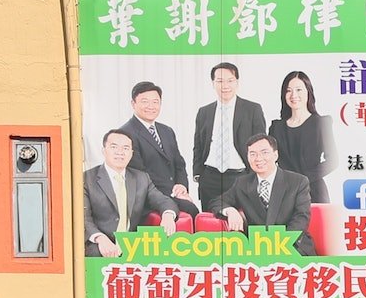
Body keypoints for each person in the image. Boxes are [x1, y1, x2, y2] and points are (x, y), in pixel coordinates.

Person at [84, 128, 181, 258]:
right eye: (114, 147)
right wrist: (100, 238)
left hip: (132, 243)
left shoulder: (141, 178)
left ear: (131, 153)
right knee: (96, 253)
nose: (120, 152)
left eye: (125, 148)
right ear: (103, 150)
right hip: (99, 243)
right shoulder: (87, 178)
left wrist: (168, 215)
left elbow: (162, 200)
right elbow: (83, 218)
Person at [222, 135, 316, 255]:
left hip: (292, 246)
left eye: (264, 152)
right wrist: (230, 210)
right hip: (257, 248)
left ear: (275, 155)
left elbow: (301, 218)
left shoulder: (298, 181)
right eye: (252, 154)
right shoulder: (242, 183)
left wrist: (279, 245)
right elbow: (217, 202)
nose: (258, 158)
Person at [193, 61, 267, 212]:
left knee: (241, 224)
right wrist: (198, 174)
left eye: (230, 81)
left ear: (237, 83)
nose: (225, 85)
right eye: (219, 81)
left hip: (240, 177)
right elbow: (198, 145)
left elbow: (261, 145)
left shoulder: (252, 109)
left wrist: (255, 176)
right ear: (213, 83)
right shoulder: (204, 112)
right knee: (210, 226)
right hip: (210, 178)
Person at [116, 81, 196, 211]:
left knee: (192, 210)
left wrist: (181, 186)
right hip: (147, 197)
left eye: (155, 102)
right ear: (133, 104)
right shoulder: (125, 134)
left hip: (171, 193)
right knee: (190, 210)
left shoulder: (167, 131)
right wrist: (173, 193)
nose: (150, 106)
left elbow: (179, 164)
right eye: (144, 101)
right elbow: (140, 174)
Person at [269, 70, 334, 204]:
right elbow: (270, 161)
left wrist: (302, 180)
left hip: (314, 192)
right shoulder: (276, 127)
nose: (294, 95)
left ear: (308, 92)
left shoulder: (321, 123)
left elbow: (333, 160)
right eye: (288, 91)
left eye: (299, 90)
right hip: (284, 193)